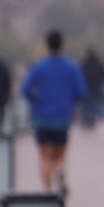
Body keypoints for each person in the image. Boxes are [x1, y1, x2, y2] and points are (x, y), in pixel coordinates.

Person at [21, 30, 89, 194]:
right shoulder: (71, 67)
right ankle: (60, 171)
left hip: (42, 117)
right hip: (62, 117)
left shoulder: (39, 67)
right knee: (60, 155)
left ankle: (47, 191)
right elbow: (82, 91)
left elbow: (25, 89)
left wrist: (36, 100)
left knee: (44, 156)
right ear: (62, 44)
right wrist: (69, 100)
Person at [80, 48, 104, 128]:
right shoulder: (98, 63)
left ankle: (86, 121)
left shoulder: (84, 63)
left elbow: (79, 75)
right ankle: (92, 122)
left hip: (86, 88)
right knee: (93, 105)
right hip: (96, 88)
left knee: (86, 106)